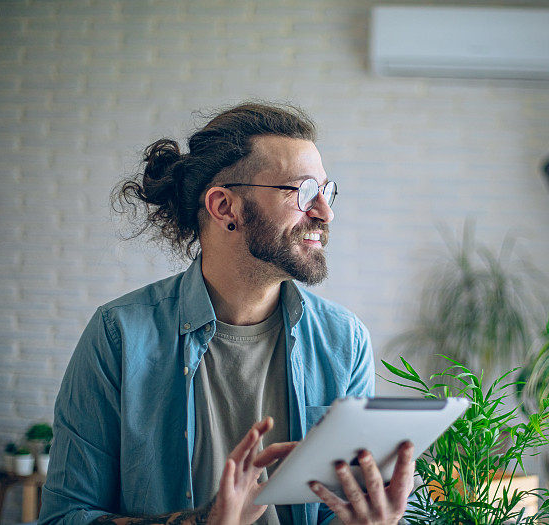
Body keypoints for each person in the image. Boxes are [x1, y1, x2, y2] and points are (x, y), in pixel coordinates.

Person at [37, 102, 415, 525]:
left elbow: (334, 511)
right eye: (304, 191)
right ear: (224, 207)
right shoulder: (119, 335)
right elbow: (64, 516)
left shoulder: (345, 341)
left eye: (327, 192)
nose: (325, 213)